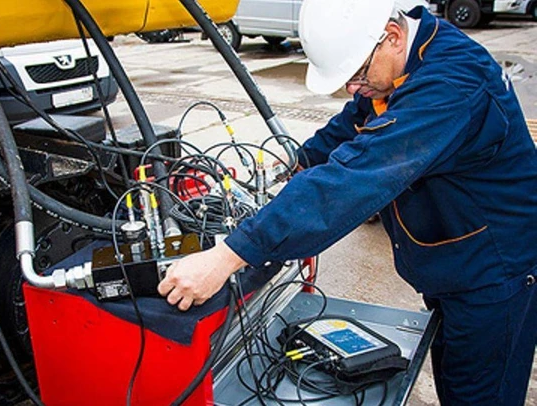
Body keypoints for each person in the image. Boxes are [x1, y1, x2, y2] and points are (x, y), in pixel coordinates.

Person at [158, 0, 537, 404]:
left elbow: (350, 181)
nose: (352, 88)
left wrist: (229, 255)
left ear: (391, 37)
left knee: (478, 394)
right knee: (454, 377)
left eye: (355, 75)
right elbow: (349, 127)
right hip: (453, 263)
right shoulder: (405, 60)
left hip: (494, 274)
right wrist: (294, 161)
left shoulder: (451, 85)